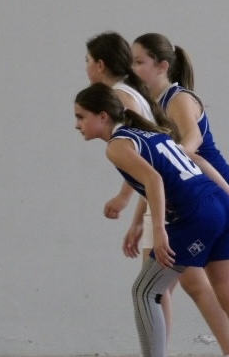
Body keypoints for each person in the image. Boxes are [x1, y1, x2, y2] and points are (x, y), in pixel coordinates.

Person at [74, 82, 229, 357]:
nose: (77, 125)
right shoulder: (152, 134)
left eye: (81, 117)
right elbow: (197, 161)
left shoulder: (117, 146)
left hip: (196, 214)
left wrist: (159, 230)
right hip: (219, 203)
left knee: (145, 292)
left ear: (103, 116)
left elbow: (153, 180)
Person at [85, 31, 175, 339]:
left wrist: (124, 198)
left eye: (87, 60)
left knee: (157, 290)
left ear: (99, 64)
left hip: (168, 201)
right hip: (161, 197)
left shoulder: (121, 97)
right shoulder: (127, 92)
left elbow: (141, 155)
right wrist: (138, 217)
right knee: (160, 289)